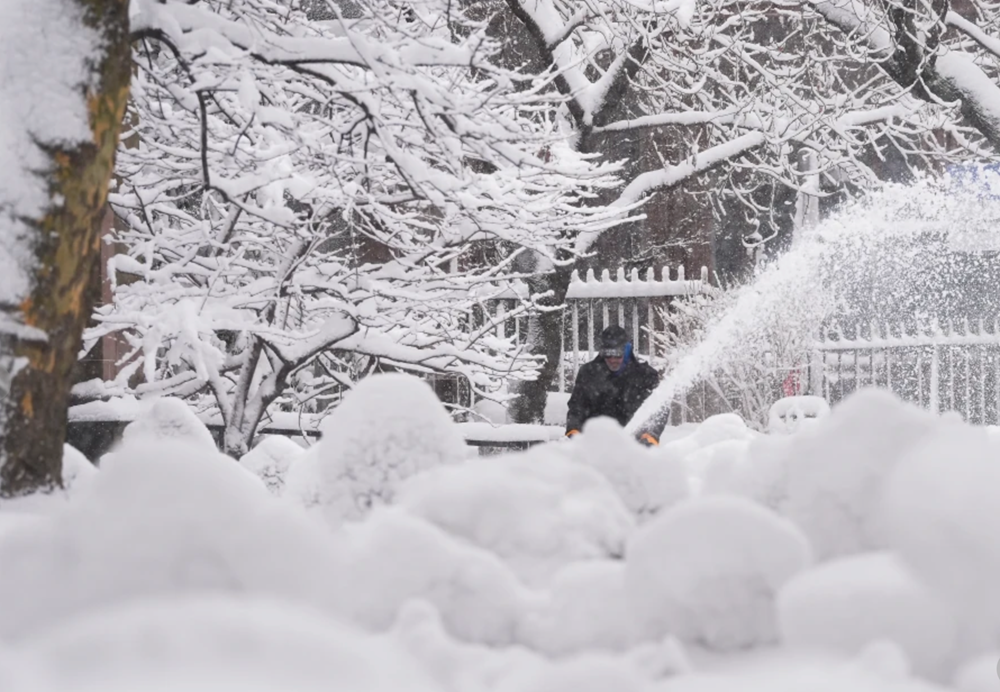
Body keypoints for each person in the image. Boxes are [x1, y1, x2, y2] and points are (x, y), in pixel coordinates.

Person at [565, 325, 661, 446]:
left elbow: (657, 410)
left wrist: (650, 435)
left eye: (617, 354)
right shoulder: (588, 373)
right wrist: (574, 431)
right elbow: (577, 407)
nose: (612, 359)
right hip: (594, 444)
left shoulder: (645, 376)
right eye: (607, 354)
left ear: (627, 350)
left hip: (634, 445)